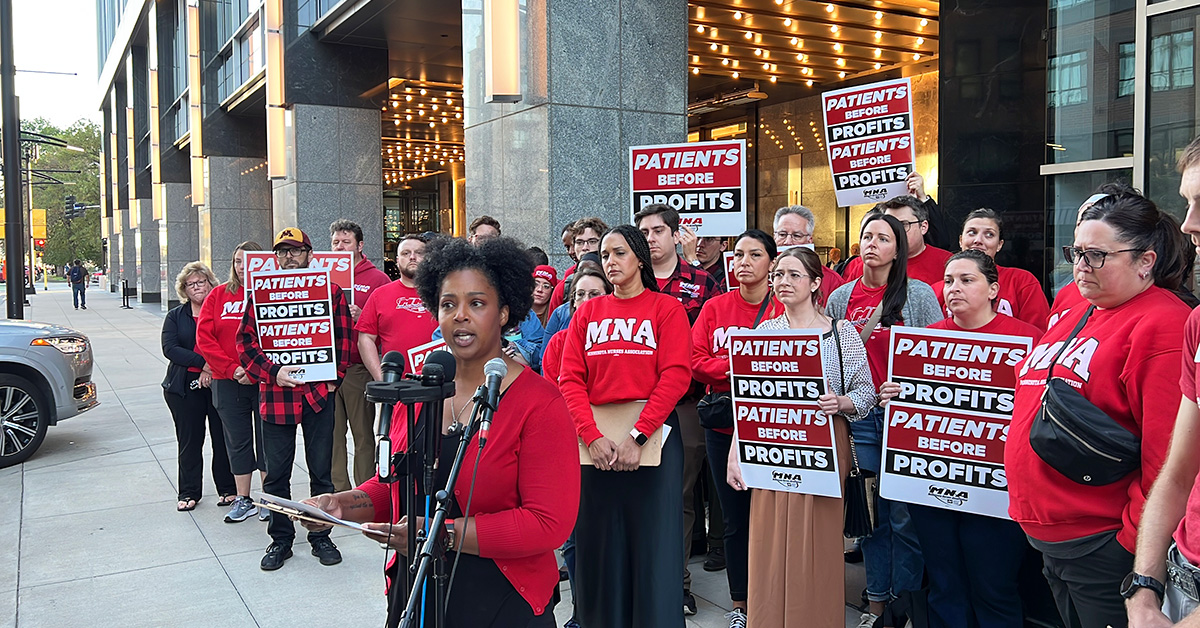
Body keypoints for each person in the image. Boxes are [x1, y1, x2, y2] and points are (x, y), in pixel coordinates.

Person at [301, 236, 580, 627]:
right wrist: (344, 505)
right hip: (414, 590)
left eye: (477, 303)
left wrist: (439, 535)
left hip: (500, 597)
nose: (460, 315)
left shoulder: (541, 403)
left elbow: (549, 523)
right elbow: (400, 483)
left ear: (504, 313)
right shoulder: (420, 393)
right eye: (448, 304)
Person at [1007, 192, 1191, 628]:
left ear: (1145, 261)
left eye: (1097, 255)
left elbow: (1168, 457)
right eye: (1076, 253)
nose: (1081, 265)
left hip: (1100, 541)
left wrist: (1128, 544)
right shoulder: (1075, 302)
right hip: (1048, 533)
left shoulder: (1163, 324)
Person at [880, 249, 1041, 628]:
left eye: (967, 280)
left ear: (993, 290)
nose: (954, 288)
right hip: (932, 488)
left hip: (995, 492)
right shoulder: (920, 342)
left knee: (995, 589)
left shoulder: (1028, 340)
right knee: (944, 587)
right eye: (949, 281)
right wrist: (895, 397)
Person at [727, 246, 876, 628]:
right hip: (772, 448)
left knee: (817, 540)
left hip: (826, 448)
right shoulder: (764, 332)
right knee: (770, 539)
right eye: (778, 275)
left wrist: (840, 402)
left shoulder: (841, 333)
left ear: (814, 283)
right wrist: (735, 455)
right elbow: (747, 400)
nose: (782, 282)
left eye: (794, 274)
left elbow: (866, 394)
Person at [558, 224, 691, 628]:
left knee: (653, 546)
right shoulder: (588, 313)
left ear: (639, 258)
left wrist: (638, 436)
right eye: (604, 255)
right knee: (600, 546)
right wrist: (591, 436)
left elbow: (676, 376)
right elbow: (570, 380)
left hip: (653, 445)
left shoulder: (666, 309)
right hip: (595, 448)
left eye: (618, 253)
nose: (609, 262)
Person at [826, 212, 942, 626]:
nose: (872, 243)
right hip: (860, 419)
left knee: (906, 520)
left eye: (882, 237)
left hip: (905, 421)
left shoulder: (918, 294)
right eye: (866, 235)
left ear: (898, 249)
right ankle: (875, 606)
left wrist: (908, 387)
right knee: (872, 522)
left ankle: (904, 608)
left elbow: (935, 357)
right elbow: (833, 359)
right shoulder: (840, 298)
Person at [238, 227, 353, 571]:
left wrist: (334, 380)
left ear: (309, 254)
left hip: (319, 394)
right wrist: (272, 373)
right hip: (275, 396)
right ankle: (281, 539)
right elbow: (245, 344)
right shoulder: (259, 294)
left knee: (322, 472)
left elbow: (344, 339)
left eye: (296, 251)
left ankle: (321, 535)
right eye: (282, 252)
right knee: (276, 475)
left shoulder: (331, 292)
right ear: (275, 257)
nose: (289, 257)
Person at [690, 229, 784, 627]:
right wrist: (739, 368)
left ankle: (774, 595)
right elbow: (695, 359)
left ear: (772, 263)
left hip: (771, 430)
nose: (743, 262)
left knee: (773, 519)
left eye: (754, 254)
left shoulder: (783, 309)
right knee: (733, 518)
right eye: (739, 254)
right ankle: (740, 603)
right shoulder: (714, 308)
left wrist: (743, 369)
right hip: (723, 429)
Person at [635, 203, 723, 615]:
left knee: (681, 496)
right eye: (644, 232)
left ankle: (677, 582)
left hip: (685, 403)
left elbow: (714, 340)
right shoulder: (633, 283)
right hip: (633, 404)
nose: (651, 238)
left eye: (657, 230)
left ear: (675, 234)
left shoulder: (703, 283)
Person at [197, 241, 270, 523]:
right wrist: (232, 369)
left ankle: (268, 498)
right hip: (228, 381)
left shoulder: (271, 294)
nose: (242, 267)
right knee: (237, 441)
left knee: (268, 441)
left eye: (249, 261)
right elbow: (205, 339)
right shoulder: (218, 296)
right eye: (238, 261)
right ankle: (244, 498)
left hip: (264, 380)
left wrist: (257, 369)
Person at [162, 261, 236, 512]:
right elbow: (170, 349)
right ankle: (189, 492)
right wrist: (204, 364)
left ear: (210, 283)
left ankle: (227, 489)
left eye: (201, 282)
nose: (196, 287)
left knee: (222, 439)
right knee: (190, 440)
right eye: (190, 284)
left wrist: (213, 368)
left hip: (219, 383)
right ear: (184, 289)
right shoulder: (175, 316)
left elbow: (227, 342)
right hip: (184, 388)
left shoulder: (221, 311)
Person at [329, 219, 392, 493]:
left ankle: (366, 492)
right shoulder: (322, 275)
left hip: (357, 368)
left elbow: (386, 323)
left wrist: (360, 316)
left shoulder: (377, 279)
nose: (340, 247)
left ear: (360, 245)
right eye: (335, 242)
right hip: (328, 367)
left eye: (346, 242)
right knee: (331, 436)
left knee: (363, 435)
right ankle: (338, 492)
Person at [842, 194, 953, 304]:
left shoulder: (947, 263)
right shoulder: (866, 264)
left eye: (903, 224)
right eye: (889, 225)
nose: (895, 231)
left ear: (923, 227)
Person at [357, 233, 437, 380]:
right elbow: (365, 338)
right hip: (395, 387)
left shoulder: (443, 293)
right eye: (406, 253)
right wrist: (380, 377)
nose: (412, 257)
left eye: (419, 253)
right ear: (397, 261)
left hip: (438, 384)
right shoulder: (379, 295)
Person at [958, 208, 1051, 331]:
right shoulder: (941, 288)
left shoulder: (1022, 281)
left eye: (989, 234)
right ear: (960, 240)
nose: (978, 240)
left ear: (1000, 244)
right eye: (972, 232)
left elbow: (1039, 335)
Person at [771, 205, 844, 305]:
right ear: (774, 236)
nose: (788, 242)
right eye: (782, 234)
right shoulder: (758, 275)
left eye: (796, 236)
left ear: (809, 240)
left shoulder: (831, 280)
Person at [550, 216, 609, 312]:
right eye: (580, 242)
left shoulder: (617, 280)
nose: (585, 247)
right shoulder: (564, 287)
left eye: (592, 241)